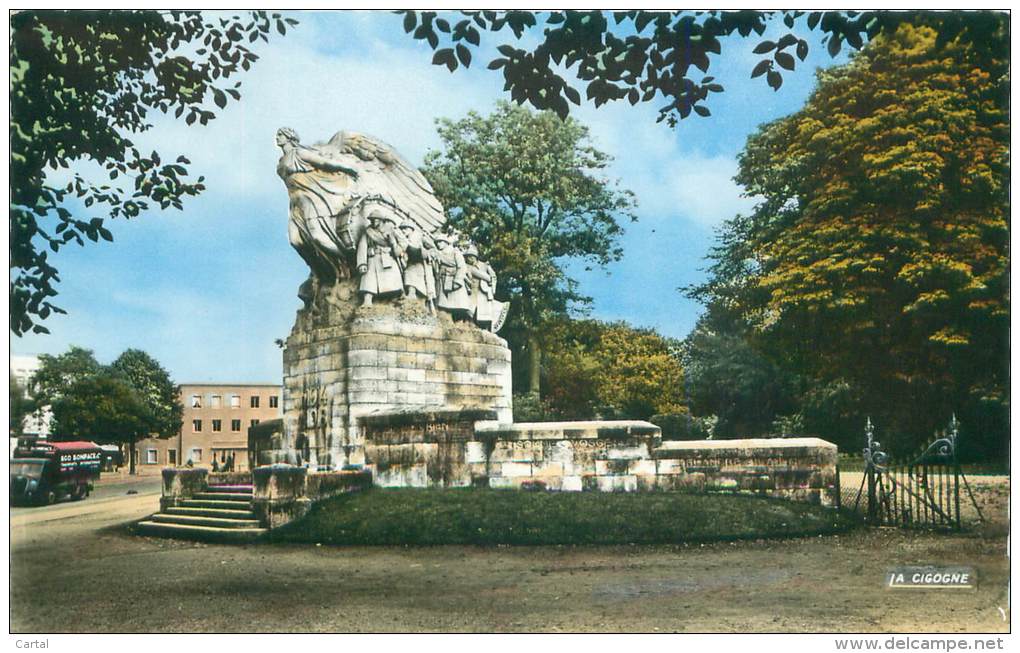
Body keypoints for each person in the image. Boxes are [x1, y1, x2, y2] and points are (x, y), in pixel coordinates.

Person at [355, 209, 404, 306]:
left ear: (381, 220)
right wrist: (362, 263)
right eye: (372, 219)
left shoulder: (391, 229)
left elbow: (403, 242)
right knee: (369, 279)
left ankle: (394, 298)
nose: (374, 221)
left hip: (387, 258)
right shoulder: (368, 232)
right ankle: (367, 299)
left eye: (376, 219)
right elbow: (362, 247)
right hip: (373, 258)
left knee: (392, 279)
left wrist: (395, 245)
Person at [463, 244, 508, 331]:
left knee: (485, 311)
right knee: (470, 307)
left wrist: (492, 287)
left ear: (475, 257)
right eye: (467, 257)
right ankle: (470, 323)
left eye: (471, 257)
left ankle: (486, 328)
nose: (469, 259)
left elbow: (493, 276)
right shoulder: (467, 266)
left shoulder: (484, 265)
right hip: (472, 289)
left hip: (484, 291)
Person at [396, 220, 436, 312]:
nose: (403, 231)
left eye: (405, 229)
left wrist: (426, 253)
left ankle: (413, 294)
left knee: (415, 277)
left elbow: (433, 248)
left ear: (411, 229)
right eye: (402, 229)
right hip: (409, 262)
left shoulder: (420, 237)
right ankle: (411, 294)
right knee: (408, 274)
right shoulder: (403, 240)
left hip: (420, 262)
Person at [432, 233, 471, 319]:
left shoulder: (455, 252)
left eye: (440, 242)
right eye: (437, 242)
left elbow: (462, 267)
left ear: (446, 242)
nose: (438, 244)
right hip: (442, 280)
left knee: (458, 306)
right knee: (443, 306)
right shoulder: (437, 253)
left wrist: (457, 281)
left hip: (453, 281)